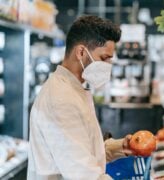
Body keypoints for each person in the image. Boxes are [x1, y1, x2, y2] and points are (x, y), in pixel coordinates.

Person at [27, 15, 133, 180]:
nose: (108, 66)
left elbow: (83, 150)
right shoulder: (60, 99)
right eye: (104, 58)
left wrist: (122, 147)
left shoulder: (76, 88)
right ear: (81, 52)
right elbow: (84, 174)